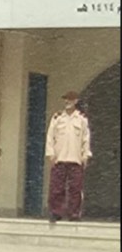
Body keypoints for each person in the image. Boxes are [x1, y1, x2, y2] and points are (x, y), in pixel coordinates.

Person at [45, 90, 92, 222]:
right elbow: (50, 137)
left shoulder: (82, 119)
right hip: (59, 159)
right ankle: (56, 212)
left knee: (75, 188)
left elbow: (86, 139)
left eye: (70, 99)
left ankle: (74, 213)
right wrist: (50, 154)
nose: (67, 102)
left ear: (76, 101)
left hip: (75, 159)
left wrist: (85, 155)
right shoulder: (57, 117)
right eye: (66, 99)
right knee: (56, 187)